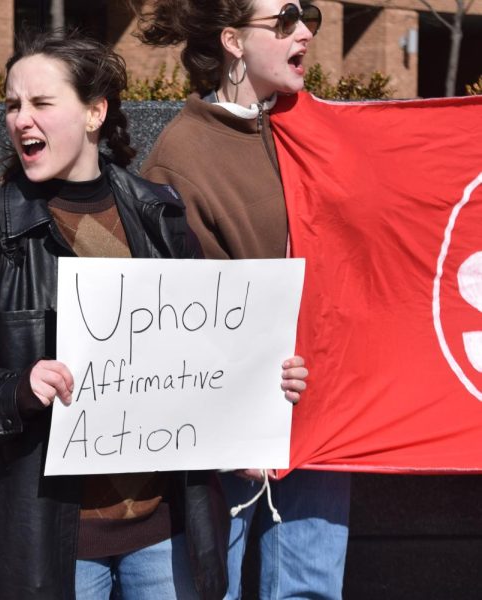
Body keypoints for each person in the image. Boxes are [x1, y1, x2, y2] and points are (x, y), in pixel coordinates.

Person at [0, 30, 307, 600]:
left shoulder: (158, 214)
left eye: (42, 103)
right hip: (48, 546)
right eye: (13, 105)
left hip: (167, 537)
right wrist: (16, 389)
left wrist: (260, 388)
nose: (21, 120)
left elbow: (202, 357)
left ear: (95, 112)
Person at [135, 2, 350, 599]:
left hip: (322, 409)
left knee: (311, 589)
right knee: (211, 589)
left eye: (309, 18)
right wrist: (232, 424)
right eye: (283, 21)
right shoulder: (182, 154)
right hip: (228, 428)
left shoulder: (320, 131)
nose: (304, 31)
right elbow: (168, 309)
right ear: (232, 40)